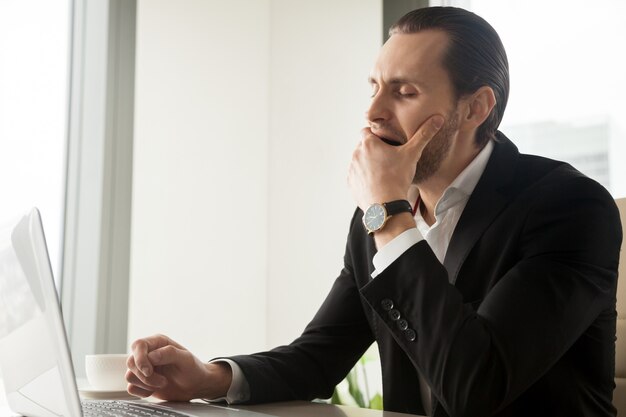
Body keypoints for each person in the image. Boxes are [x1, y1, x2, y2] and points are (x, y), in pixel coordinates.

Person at [126, 7, 622, 417]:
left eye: (405, 92)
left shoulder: (570, 208)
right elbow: (319, 357)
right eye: (374, 86)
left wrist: (389, 216)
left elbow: (479, 387)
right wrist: (207, 376)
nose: (373, 112)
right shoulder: (379, 217)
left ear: (475, 109)